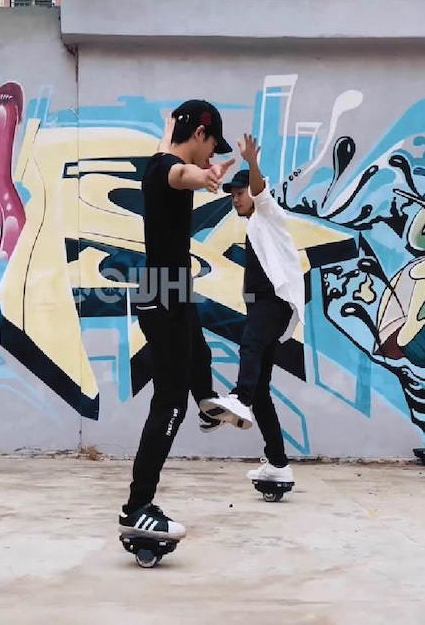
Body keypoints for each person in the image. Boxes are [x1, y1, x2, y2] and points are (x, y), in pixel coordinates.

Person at [119, 100, 238, 541]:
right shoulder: (170, 169)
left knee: (198, 352)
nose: (210, 157)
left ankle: (207, 398)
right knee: (170, 402)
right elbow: (181, 173)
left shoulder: (159, 159)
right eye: (211, 147)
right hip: (163, 292)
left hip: (170, 288)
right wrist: (204, 177)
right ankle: (137, 507)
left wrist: (169, 130)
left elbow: (169, 155)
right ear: (200, 134)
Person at [201, 133, 305, 486]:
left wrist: (252, 163)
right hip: (266, 306)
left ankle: (240, 397)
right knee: (262, 392)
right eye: (232, 195)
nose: (235, 199)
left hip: (273, 303)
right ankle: (277, 463)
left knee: (250, 347)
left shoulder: (268, 213)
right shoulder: (257, 225)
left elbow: (260, 191)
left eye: (239, 193)